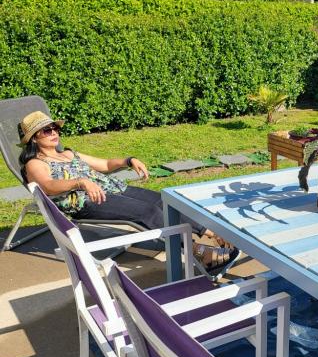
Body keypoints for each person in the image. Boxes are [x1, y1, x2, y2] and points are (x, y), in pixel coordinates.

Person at [18, 110, 237, 273]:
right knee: (148, 212)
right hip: (88, 201)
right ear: (35, 138)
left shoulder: (68, 153)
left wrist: (128, 160)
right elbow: (47, 185)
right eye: (47, 130)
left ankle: (212, 233)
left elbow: (104, 164)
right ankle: (199, 253)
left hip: (114, 188)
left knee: (164, 201)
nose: (54, 132)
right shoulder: (35, 163)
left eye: (55, 128)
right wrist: (80, 182)